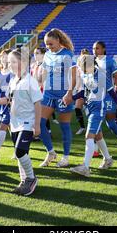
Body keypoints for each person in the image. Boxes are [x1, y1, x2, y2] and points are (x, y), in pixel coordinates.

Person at [0, 48, 41, 195]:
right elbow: (8, 100)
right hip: (15, 123)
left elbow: (38, 104)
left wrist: (37, 125)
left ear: (23, 62)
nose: (9, 64)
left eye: (13, 61)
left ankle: (31, 178)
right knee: (20, 154)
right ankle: (24, 181)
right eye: (9, 61)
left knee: (20, 151)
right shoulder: (13, 80)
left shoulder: (31, 81)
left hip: (27, 122)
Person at [70, 54, 117, 177]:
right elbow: (83, 92)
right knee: (97, 136)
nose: (83, 71)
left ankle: (85, 167)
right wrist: (72, 98)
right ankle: (108, 159)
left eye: (84, 68)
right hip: (90, 107)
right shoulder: (86, 74)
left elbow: (111, 91)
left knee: (88, 136)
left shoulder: (101, 75)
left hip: (98, 109)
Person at [37, 28, 76, 168]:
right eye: (47, 44)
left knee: (64, 126)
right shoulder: (47, 54)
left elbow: (73, 75)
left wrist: (69, 93)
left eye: (51, 44)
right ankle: (51, 152)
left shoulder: (67, 55)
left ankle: (66, 157)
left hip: (63, 95)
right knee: (39, 123)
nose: (49, 47)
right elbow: (43, 74)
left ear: (59, 41)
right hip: (48, 94)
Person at [92, 41, 117, 154]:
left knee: (111, 124)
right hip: (95, 98)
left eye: (97, 48)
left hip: (108, 96)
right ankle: (96, 149)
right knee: (95, 122)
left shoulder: (110, 61)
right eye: (93, 48)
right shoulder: (90, 61)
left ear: (103, 49)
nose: (94, 51)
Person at [0, 49, 13, 156]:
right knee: (11, 128)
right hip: (1, 105)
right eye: (3, 56)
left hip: (10, 105)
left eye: (7, 56)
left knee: (3, 127)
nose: (4, 58)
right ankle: (18, 150)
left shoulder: (13, 73)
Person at [74, 49, 89, 135]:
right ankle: (82, 127)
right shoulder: (78, 66)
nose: (83, 57)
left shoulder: (90, 65)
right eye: (82, 55)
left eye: (85, 55)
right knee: (77, 108)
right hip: (80, 90)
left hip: (88, 91)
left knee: (89, 110)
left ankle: (92, 127)